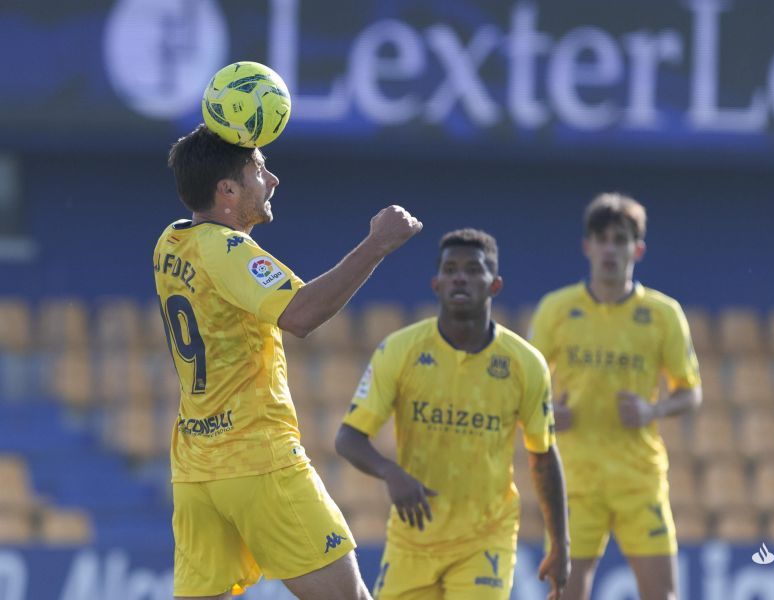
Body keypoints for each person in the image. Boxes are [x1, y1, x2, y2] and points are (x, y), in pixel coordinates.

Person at [154, 124, 422, 600]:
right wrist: (377, 243)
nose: (273, 180)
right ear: (228, 190)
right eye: (259, 169)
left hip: (196, 469)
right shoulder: (228, 249)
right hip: (257, 459)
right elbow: (301, 314)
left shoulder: (170, 242)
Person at [334, 228, 570, 600]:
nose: (460, 276)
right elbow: (348, 437)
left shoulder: (525, 363)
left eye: (474, 269)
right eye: (451, 269)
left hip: (485, 537)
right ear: (436, 283)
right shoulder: (400, 350)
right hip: (413, 538)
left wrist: (560, 545)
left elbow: (543, 455)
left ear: (495, 285)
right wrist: (391, 473)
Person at [529, 193, 702, 600]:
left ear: (637, 249)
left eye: (620, 239)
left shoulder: (662, 313)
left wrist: (652, 409)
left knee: (662, 595)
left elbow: (691, 393)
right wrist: (547, 413)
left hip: (637, 476)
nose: (610, 249)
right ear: (586, 246)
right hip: (574, 476)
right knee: (566, 593)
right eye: (602, 239)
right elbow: (527, 386)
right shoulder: (557, 308)